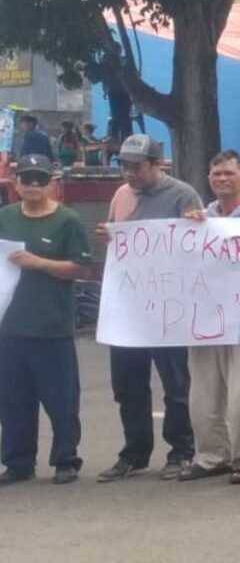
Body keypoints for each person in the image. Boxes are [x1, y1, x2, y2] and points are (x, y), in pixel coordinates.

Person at [96, 134, 200, 482]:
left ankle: (181, 450)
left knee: (175, 384)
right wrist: (109, 236)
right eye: (124, 166)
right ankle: (135, 452)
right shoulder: (122, 195)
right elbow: (120, 243)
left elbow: (195, 244)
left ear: (158, 164)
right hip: (128, 306)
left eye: (137, 167)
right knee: (127, 384)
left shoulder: (182, 194)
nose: (129, 174)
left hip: (168, 306)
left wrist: (196, 226)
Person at [179, 150, 240, 484]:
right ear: (208, 178)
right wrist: (184, 234)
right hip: (204, 321)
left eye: (229, 174)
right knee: (203, 398)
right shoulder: (198, 219)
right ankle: (210, 455)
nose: (221, 179)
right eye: (216, 173)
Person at [0, 155, 91, 486]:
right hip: (9, 326)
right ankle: (18, 461)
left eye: (40, 179)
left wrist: (38, 263)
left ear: (51, 182)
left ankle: (66, 459)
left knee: (60, 399)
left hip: (51, 325)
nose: (34, 185)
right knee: (12, 399)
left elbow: (81, 268)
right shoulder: (5, 217)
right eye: (28, 179)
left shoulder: (67, 220)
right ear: (16, 183)